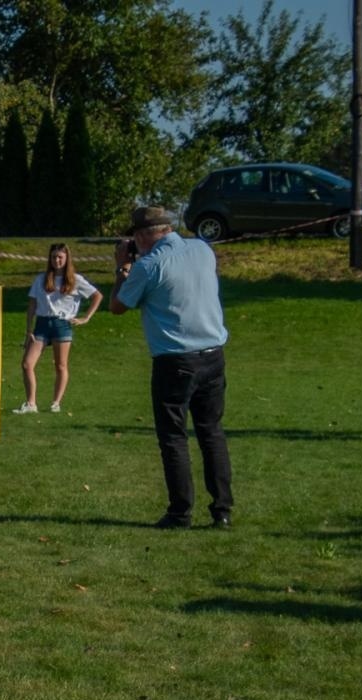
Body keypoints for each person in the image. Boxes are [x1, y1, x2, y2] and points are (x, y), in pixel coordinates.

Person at [109, 205, 233, 529]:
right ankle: (222, 510)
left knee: (174, 438)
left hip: (175, 359)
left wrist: (122, 268)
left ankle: (180, 512)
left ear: (141, 236)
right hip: (213, 354)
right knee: (212, 433)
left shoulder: (148, 265)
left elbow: (118, 306)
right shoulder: (203, 249)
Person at [14, 243, 100, 414]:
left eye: (60, 257)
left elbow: (97, 296)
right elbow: (32, 304)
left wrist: (85, 318)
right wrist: (29, 329)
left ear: (67, 258)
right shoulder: (41, 279)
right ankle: (31, 403)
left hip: (62, 324)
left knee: (60, 365)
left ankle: (56, 402)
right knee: (27, 364)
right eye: (54, 257)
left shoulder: (76, 280)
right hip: (42, 324)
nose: (57, 260)